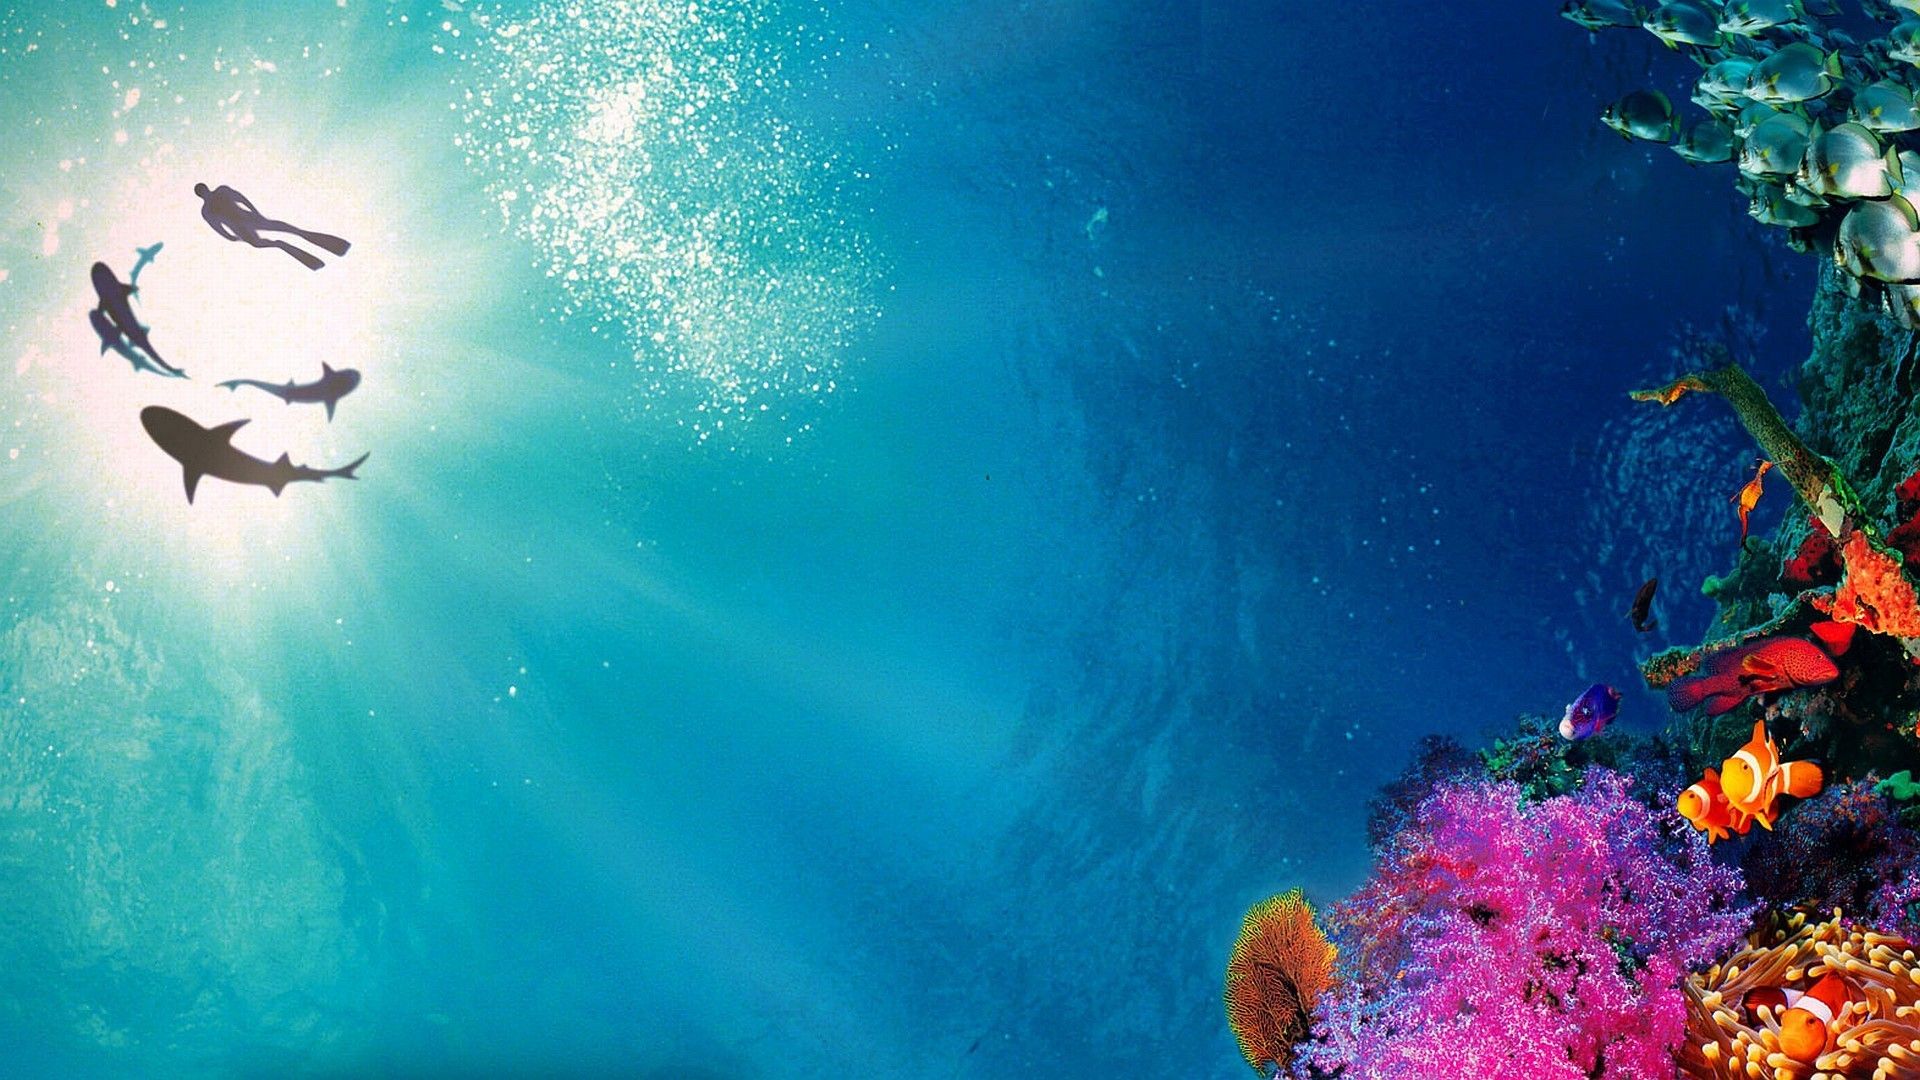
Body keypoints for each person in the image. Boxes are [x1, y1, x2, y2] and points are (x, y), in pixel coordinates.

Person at [193, 182, 352, 270]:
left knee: (287, 230)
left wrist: (255, 213)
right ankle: (281, 243)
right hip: (243, 226)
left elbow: (240, 199)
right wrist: (234, 237)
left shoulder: (217, 196)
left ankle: (294, 239)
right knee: (264, 241)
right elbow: (219, 227)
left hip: (247, 220)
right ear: (203, 192)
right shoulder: (207, 209)